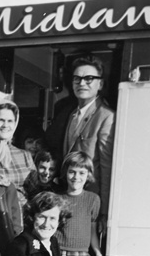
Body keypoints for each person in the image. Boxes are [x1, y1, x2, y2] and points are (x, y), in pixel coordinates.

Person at [47, 55, 115, 229]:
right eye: (77, 78)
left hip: (90, 202)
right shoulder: (69, 113)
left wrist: (105, 211)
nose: (82, 83)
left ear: (100, 84)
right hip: (67, 197)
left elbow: (106, 167)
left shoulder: (106, 116)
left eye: (89, 79)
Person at [0, 100, 36, 189]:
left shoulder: (25, 155)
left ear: (15, 123)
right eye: (1, 120)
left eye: (10, 121)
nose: (5, 125)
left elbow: (35, 188)